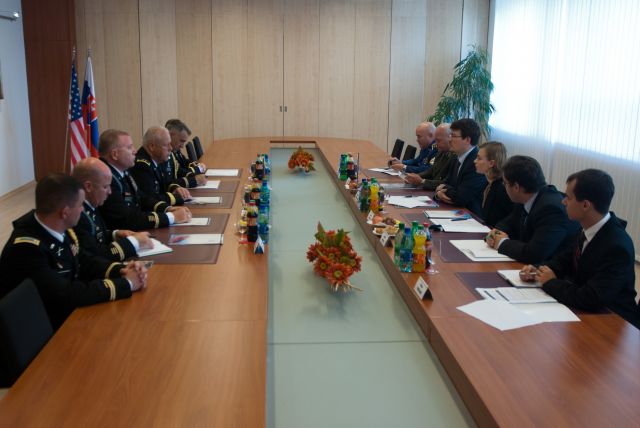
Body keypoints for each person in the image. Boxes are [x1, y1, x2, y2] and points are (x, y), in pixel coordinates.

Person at [0, 174, 148, 330]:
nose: (83, 209)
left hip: (63, 314)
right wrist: (126, 284)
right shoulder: (26, 249)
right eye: (80, 205)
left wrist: (122, 270)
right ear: (65, 212)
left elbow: (83, 260)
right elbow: (66, 294)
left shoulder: (54, 226)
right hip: (43, 329)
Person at [520, 169, 638, 328]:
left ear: (585, 205)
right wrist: (537, 270)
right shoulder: (587, 228)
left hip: (613, 322)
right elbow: (564, 261)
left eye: (568, 198)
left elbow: (592, 297)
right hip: (585, 312)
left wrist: (550, 282)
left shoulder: (617, 247)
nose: (563, 202)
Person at [485, 155, 579, 263]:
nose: (503, 186)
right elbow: (508, 223)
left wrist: (502, 243)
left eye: (505, 183)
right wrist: (495, 233)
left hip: (551, 269)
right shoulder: (524, 197)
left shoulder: (551, 209)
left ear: (516, 187)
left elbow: (534, 254)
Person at [98, 129, 192, 230]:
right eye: (129, 147)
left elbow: (141, 197)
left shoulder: (121, 171)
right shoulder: (105, 178)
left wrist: (167, 208)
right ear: (114, 154)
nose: (135, 151)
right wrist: (171, 217)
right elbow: (127, 219)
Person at [72, 157, 154, 261]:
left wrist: (115, 234)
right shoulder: (77, 215)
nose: (110, 192)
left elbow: (97, 235)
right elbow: (93, 256)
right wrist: (133, 242)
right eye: (105, 187)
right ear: (88, 187)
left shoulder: (91, 203)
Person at [434, 118, 487, 215]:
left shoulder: (476, 162)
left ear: (467, 140)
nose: (450, 140)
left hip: (471, 216)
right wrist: (438, 194)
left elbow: (461, 197)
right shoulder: (456, 157)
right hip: (453, 210)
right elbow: (445, 183)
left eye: (453, 136)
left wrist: (444, 190)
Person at [130, 126, 192, 207]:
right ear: (152, 146)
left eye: (170, 144)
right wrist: (176, 198)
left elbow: (165, 183)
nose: (170, 148)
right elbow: (150, 198)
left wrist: (176, 188)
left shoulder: (157, 158)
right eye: (166, 145)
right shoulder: (142, 165)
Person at [473, 141, 513, 227]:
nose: (475, 161)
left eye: (479, 158)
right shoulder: (488, 184)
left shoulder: (502, 189)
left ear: (491, 163)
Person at [404, 123, 456, 190]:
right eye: (435, 140)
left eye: (439, 140)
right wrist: (415, 177)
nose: (436, 143)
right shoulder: (441, 152)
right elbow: (431, 171)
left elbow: (447, 183)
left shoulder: (455, 156)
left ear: (450, 138)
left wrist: (422, 181)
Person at [164, 119, 207, 188]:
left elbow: (182, 166)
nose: (182, 146)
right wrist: (195, 177)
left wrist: (195, 174)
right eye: (181, 141)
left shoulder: (174, 151)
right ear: (170, 135)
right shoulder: (163, 156)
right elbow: (167, 184)